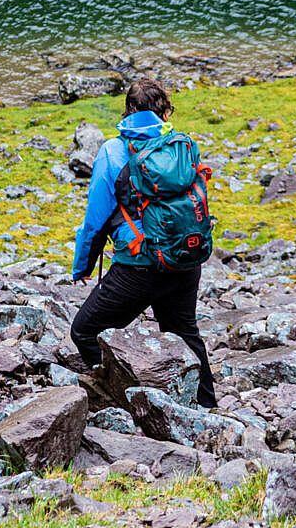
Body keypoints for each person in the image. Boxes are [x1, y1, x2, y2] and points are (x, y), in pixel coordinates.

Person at [69, 79, 217, 409]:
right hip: (185, 256)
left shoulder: (112, 151)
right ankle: (208, 409)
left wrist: (83, 266)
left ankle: (123, 404)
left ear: (127, 111)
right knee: (184, 332)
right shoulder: (181, 145)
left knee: (85, 330)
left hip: (139, 266)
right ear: (165, 110)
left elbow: (95, 219)